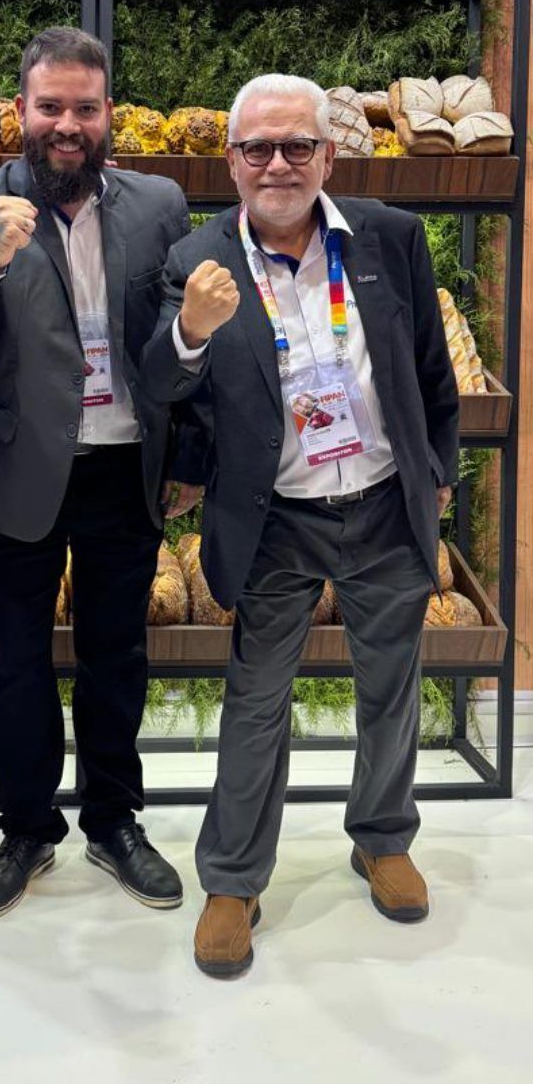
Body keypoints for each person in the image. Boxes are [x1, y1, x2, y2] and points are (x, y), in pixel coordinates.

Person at [141, 73, 458, 979]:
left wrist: (435, 470)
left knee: (391, 684)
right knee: (256, 700)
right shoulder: (197, 256)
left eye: (296, 147)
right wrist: (191, 333)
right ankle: (234, 879)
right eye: (256, 149)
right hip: (275, 517)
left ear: (328, 153)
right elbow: (161, 386)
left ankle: (383, 837)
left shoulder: (390, 239)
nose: (276, 164)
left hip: (386, 503)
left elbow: (430, 371)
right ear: (231, 160)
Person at [0, 27, 204, 920]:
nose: (67, 124)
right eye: (50, 107)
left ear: (108, 113)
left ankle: (115, 821)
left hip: (125, 466)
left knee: (119, 653)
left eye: (84, 107)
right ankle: (27, 828)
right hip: (15, 469)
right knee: (19, 660)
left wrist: (187, 454)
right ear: (20, 111)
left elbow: (179, 334)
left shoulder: (159, 203)